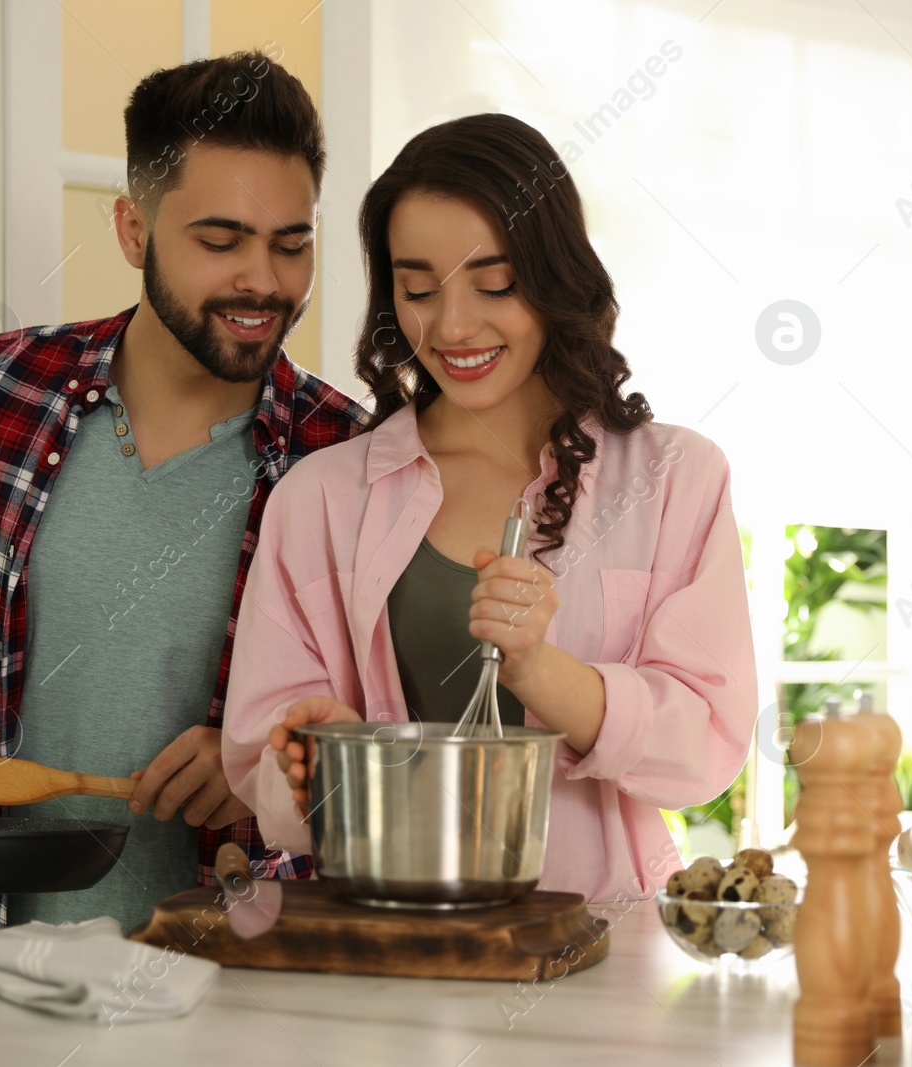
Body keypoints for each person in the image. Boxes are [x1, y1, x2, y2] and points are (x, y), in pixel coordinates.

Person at [0, 52, 363, 937]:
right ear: (132, 230)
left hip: (240, 962)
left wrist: (263, 761)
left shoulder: (350, 454)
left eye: (291, 244)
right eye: (220, 242)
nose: (264, 280)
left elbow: (382, 712)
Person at [221, 113, 756, 902]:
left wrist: (544, 669)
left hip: (605, 953)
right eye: (418, 289)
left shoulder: (677, 477)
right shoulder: (321, 499)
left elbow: (704, 747)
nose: (455, 325)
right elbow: (260, 768)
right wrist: (308, 763)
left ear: (554, 276)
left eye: (495, 284)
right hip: (391, 955)